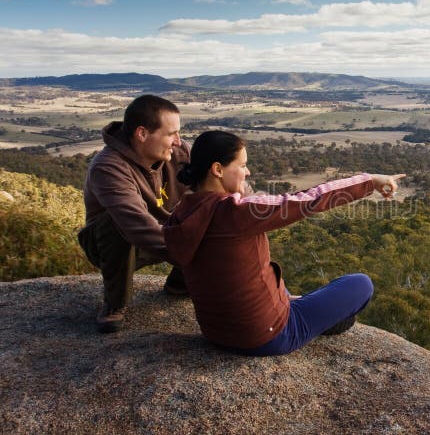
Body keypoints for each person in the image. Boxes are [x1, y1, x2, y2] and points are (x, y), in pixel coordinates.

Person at [163, 130, 404, 356]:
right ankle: (310, 316)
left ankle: (301, 306)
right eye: (243, 165)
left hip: (215, 332)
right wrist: (370, 181)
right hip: (265, 335)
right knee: (360, 284)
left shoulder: (180, 213)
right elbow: (308, 199)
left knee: (275, 281)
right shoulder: (236, 212)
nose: (247, 172)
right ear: (217, 169)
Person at [78, 94, 190, 333]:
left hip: (166, 234)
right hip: (113, 243)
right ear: (142, 134)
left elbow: (218, 184)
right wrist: (198, 256)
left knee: (210, 202)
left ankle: (181, 283)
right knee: (116, 222)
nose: (178, 142)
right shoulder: (108, 166)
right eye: (171, 134)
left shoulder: (179, 155)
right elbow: (138, 227)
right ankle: (114, 303)